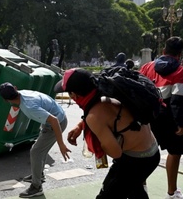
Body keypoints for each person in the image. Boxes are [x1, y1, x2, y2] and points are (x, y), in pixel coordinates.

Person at [54, 68, 160, 199]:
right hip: (152, 152)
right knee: (134, 189)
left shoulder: (93, 116)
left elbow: (115, 153)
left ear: (75, 95)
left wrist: (99, 141)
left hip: (136, 160)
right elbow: (110, 115)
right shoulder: (110, 91)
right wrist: (81, 125)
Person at [0, 82, 71, 198]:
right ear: (16, 89)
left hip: (57, 122)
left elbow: (54, 121)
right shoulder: (23, 93)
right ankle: (38, 175)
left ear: (6, 101)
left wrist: (61, 144)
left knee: (36, 151)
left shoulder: (29, 106)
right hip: (54, 117)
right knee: (40, 150)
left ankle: (36, 187)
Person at [140, 36, 183, 199]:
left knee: (143, 153)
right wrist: (181, 123)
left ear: (163, 51)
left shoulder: (147, 67)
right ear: (180, 54)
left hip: (148, 116)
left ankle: (141, 189)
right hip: (168, 117)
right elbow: (177, 100)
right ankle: (171, 192)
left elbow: (139, 90)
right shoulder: (181, 71)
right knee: (175, 152)